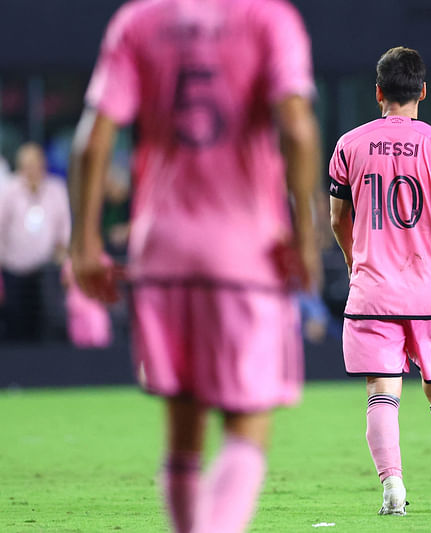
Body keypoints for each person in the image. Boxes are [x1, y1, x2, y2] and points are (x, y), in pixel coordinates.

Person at [69, 1, 321, 532]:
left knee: (184, 433)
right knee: (246, 425)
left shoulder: (138, 21)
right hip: (246, 253)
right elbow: (297, 129)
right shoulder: (269, 19)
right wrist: (305, 234)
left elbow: (93, 138)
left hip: (162, 250)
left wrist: (84, 241)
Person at [329, 47, 431, 516]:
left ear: (378, 93)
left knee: (382, 391)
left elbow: (337, 218)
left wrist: (357, 261)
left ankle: (393, 490)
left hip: (373, 291)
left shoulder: (349, 144)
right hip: (428, 290)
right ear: (423, 92)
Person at [0, 143, 71, 341]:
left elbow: (64, 226)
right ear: (20, 166)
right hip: (14, 269)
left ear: (43, 165)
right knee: (17, 324)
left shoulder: (56, 189)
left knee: (47, 324)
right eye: (27, 164)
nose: (31, 169)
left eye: (36, 164)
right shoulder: (9, 191)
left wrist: (62, 251)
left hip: (46, 271)